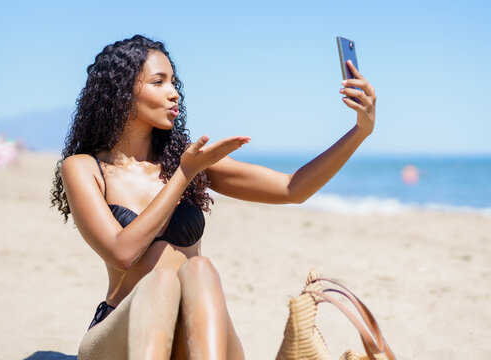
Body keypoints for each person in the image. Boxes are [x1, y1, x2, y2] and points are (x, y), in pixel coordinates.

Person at [50, 34, 376, 360]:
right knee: (160, 282)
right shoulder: (86, 168)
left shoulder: (191, 158)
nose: (173, 92)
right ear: (121, 91)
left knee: (199, 269)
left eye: (174, 82)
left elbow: (294, 188)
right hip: (125, 330)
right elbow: (122, 253)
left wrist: (360, 130)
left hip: (196, 335)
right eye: (158, 82)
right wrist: (184, 174)